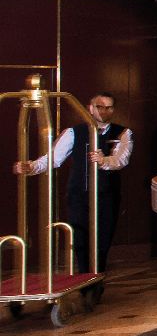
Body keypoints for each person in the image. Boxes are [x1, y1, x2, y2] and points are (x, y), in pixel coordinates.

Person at [13, 92, 133, 273]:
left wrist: (104, 161)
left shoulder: (123, 133)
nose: (104, 111)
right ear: (90, 109)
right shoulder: (73, 132)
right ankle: (85, 278)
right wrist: (31, 167)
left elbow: (121, 159)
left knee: (102, 242)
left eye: (108, 107)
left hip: (106, 196)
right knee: (80, 241)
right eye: (99, 107)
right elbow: (53, 159)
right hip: (78, 196)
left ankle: (97, 280)